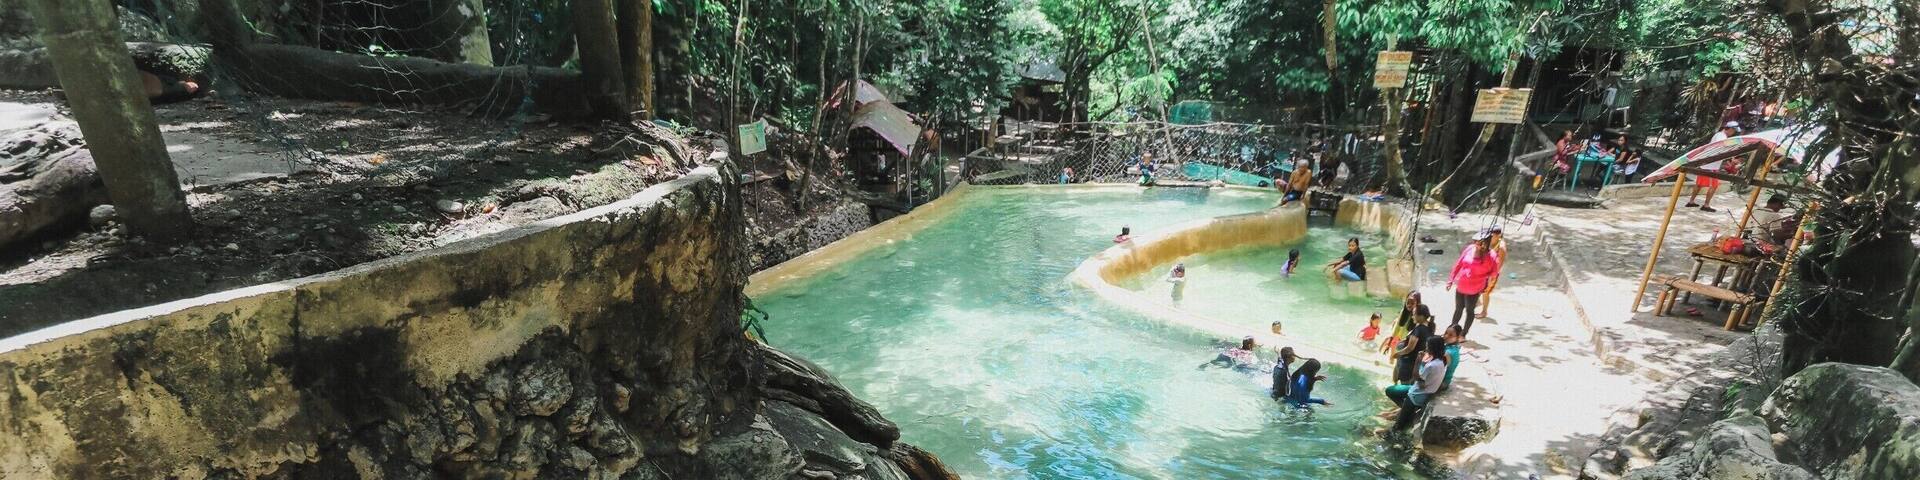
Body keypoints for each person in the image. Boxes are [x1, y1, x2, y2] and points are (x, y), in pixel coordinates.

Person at [1387, 336, 1450, 430]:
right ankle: (1406, 410)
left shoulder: (1432, 366)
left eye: (1428, 346)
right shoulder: (1442, 361)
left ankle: (1407, 411)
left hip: (1416, 395)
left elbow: (1417, 378)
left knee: (1398, 426)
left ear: (1433, 348)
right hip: (1423, 391)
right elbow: (1424, 381)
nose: (1426, 348)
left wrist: (1418, 361)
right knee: (1390, 390)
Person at [1447, 230, 1502, 337]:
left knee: (1469, 310)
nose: (1476, 244)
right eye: (1475, 241)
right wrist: (1451, 280)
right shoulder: (1469, 249)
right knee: (1458, 309)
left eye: (1479, 242)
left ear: (1486, 243)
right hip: (1461, 285)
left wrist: (1483, 277)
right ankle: (1452, 331)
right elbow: (1458, 264)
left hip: (1475, 289)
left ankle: (1463, 334)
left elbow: (1495, 273)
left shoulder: (1492, 256)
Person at [1688, 122, 1742, 212]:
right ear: (1731, 129)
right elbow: (1721, 149)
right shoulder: (1722, 137)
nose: (1733, 133)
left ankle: (1691, 201)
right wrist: (1731, 160)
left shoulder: (1719, 135)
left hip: (1707, 163)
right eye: (1733, 131)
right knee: (1714, 185)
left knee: (1699, 184)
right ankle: (1706, 205)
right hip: (1711, 166)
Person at [1388, 295, 1436, 384]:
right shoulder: (1429, 327)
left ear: (1421, 316)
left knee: (1404, 382)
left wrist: (1397, 354)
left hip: (1408, 361)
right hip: (1416, 361)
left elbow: (1410, 348)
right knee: (1409, 381)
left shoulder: (1418, 330)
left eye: (1414, 314)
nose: (1413, 316)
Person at [1474, 226, 1509, 317]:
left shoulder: (1501, 247)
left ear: (1498, 235)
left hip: (1492, 273)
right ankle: (1477, 302)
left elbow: (1499, 264)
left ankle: (1484, 312)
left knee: (1486, 292)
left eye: (1492, 235)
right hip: (1485, 270)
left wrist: (1491, 276)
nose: (1491, 237)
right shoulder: (1490, 241)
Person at [1440, 325, 1465, 391]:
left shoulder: (1449, 353)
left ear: (1458, 337)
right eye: (1446, 333)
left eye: (1451, 335)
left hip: (1442, 383)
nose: (1446, 336)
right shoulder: (1454, 346)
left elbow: (1440, 369)